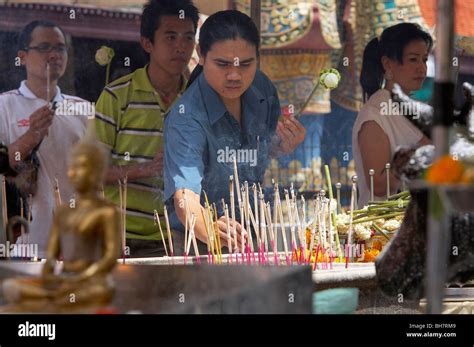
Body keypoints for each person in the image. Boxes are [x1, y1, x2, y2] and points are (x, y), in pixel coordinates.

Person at [164, 10, 306, 251]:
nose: (234, 75)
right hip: (197, 240)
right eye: (222, 64)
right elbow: (184, 197)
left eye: (246, 64)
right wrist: (210, 229)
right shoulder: (186, 117)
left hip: (256, 229)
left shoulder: (263, 89)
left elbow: (260, 151)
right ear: (201, 54)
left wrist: (283, 144)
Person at [94, 0, 199, 257]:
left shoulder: (198, 101)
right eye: (170, 37)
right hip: (116, 237)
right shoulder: (117, 96)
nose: (180, 47)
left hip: (177, 239)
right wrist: (145, 169)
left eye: (188, 38)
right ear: (147, 43)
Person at [1, 138, 120, 313]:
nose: (74, 173)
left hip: (91, 283)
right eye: (72, 167)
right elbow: (52, 256)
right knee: (11, 286)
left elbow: (109, 258)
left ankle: (50, 305)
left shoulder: (106, 211)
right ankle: (56, 304)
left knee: (99, 292)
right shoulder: (64, 212)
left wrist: (81, 277)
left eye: (82, 167)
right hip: (64, 281)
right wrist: (50, 274)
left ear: (96, 171)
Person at [0, 20, 87, 258]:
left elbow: (98, 175)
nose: (54, 55)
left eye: (60, 48)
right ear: (23, 56)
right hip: (25, 245)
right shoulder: (5, 105)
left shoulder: (83, 109)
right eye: (44, 47)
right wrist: (31, 136)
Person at [353, 23, 433, 207]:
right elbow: (378, 185)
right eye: (413, 59)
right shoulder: (375, 113)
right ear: (388, 64)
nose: (422, 68)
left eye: (425, 59)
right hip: (383, 229)